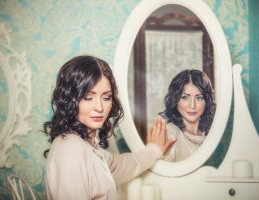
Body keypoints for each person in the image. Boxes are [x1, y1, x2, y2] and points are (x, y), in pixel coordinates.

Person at [43, 55, 175, 200]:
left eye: (106, 97)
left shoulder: (87, 145)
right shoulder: (70, 148)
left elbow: (120, 166)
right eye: (88, 97)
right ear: (70, 99)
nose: (99, 107)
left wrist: (154, 150)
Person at [160, 69, 216, 162]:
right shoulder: (170, 133)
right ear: (175, 99)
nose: (192, 105)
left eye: (199, 97)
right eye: (185, 97)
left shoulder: (211, 136)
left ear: (207, 101)